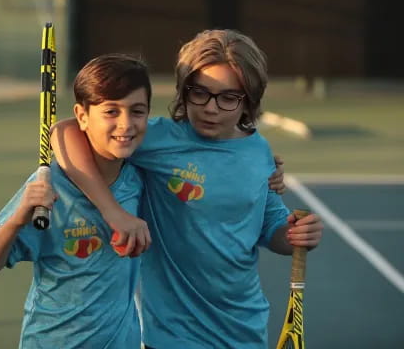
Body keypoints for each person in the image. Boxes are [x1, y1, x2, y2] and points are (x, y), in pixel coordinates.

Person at [50, 29, 323, 349]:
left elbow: (270, 225)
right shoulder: (157, 139)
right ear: (183, 90)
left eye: (228, 97)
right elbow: (65, 132)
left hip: (244, 330)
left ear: (248, 101)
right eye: (200, 93)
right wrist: (113, 212)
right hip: (172, 335)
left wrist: (294, 235)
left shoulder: (258, 150)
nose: (210, 108)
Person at [0, 53, 153, 348]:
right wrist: (17, 219)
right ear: (82, 116)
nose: (126, 124)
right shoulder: (49, 184)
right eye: (111, 112)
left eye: (137, 111)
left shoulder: (140, 175)